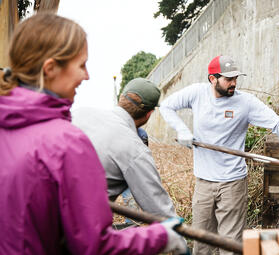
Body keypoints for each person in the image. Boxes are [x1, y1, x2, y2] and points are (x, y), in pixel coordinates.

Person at [0, 13, 187, 255]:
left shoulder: (11, 125)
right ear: (51, 69)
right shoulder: (67, 142)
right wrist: (162, 235)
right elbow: (94, 246)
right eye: (81, 65)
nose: (86, 75)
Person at [159, 55, 279, 254]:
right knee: (201, 243)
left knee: (230, 245)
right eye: (228, 79)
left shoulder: (245, 103)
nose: (233, 83)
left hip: (233, 183)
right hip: (204, 183)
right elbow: (166, 106)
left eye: (236, 78)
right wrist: (181, 130)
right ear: (212, 79)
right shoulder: (196, 94)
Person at [72, 78, 179, 221]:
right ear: (148, 114)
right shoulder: (136, 149)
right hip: (75, 229)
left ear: (121, 98)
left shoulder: (79, 113)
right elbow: (161, 213)